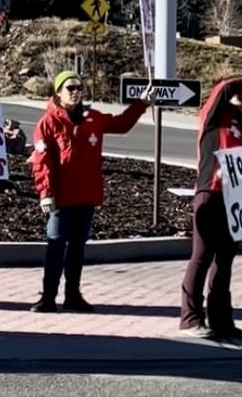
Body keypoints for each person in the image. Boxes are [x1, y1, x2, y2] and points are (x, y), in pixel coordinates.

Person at [29, 71, 153, 313]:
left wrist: (142, 103)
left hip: (86, 195)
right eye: (69, 88)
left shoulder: (92, 118)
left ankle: (73, 296)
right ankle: (48, 296)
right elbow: (41, 161)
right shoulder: (48, 122)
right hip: (60, 198)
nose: (75, 92)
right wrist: (46, 192)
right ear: (58, 93)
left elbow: (121, 124)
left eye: (79, 88)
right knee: (55, 245)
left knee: (77, 247)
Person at [180, 74, 242, 339]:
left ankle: (221, 321)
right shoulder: (212, 116)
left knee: (225, 261)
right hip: (210, 193)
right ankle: (190, 319)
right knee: (201, 257)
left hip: (235, 199)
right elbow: (227, 86)